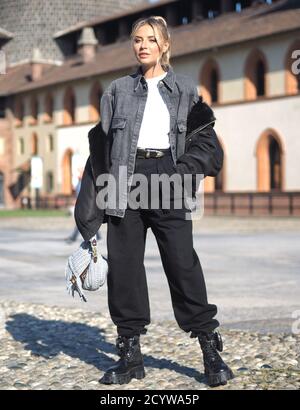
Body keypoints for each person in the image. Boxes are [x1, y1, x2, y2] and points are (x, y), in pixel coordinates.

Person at [76, 15, 234, 388]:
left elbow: (205, 142)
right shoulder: (115, 90)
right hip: (122, 180)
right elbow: (101, 149)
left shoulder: (186, 89)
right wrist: (89, 209)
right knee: (125, 269)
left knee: (182, 265)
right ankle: (130, 355)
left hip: (167, 175)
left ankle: (210, 349)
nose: (142, 45)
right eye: (136, 40)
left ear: (164, 45)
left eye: (150, 39)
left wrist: (181, 171)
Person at [65, 174, 101, 243]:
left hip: (85, 205)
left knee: (81, 221)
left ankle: (73, 237)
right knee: (87, 220)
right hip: (82, 204)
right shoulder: (79, 183)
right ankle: (98, 236)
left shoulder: (85, 182)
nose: (78, 174)